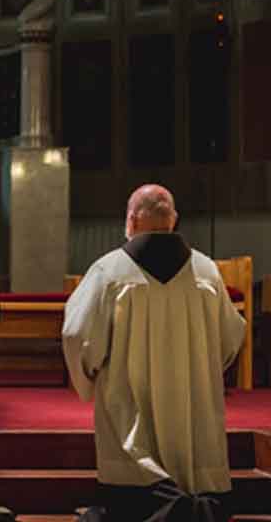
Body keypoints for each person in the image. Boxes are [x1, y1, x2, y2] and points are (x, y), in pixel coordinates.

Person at [63, 184, 246, 521]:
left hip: (129, 405)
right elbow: (231, 336)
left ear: (131, 220)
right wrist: (202, 367)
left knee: (131, 482)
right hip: (193, 407)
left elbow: (78, 335)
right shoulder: (206, 272)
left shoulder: (110, 272)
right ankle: (195, 508)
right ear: (173, 219)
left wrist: (88, 377)